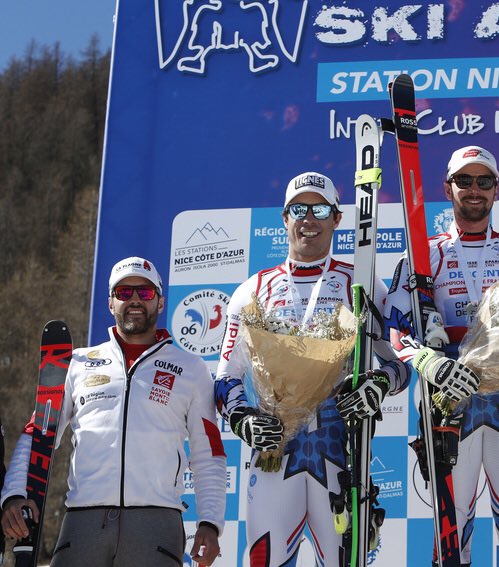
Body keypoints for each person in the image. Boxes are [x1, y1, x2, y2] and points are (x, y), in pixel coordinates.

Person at [214, 171, 408, 567]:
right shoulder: (253, 289)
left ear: (336, 218)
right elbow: (226, 376)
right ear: (285, 217)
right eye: (299, 209)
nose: (309, 218)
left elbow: (401, 362)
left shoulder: (362, 281)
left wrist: (378, 385)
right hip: (273, 449)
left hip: (339, 446)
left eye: (320, 209)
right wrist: (241, 418)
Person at [0, 257, 226, 566]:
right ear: (110, 303)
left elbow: (208, 452)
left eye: (145, 293)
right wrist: (13, 495)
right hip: (83, 521)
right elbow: (38, 433)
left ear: (160, 303)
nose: (134, 299)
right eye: (124, 292)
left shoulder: (190, 368)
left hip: (155, 524)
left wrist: (210, 523)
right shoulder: (77, 363)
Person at [384, 145, 499, 566]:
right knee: (451, 533)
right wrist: (428, 361)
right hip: (447, 401)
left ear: (496, 189)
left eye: (484, 181)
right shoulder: (423, 256)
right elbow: (394, 328)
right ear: (447, 187)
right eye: (464, 181)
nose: (474, 190)